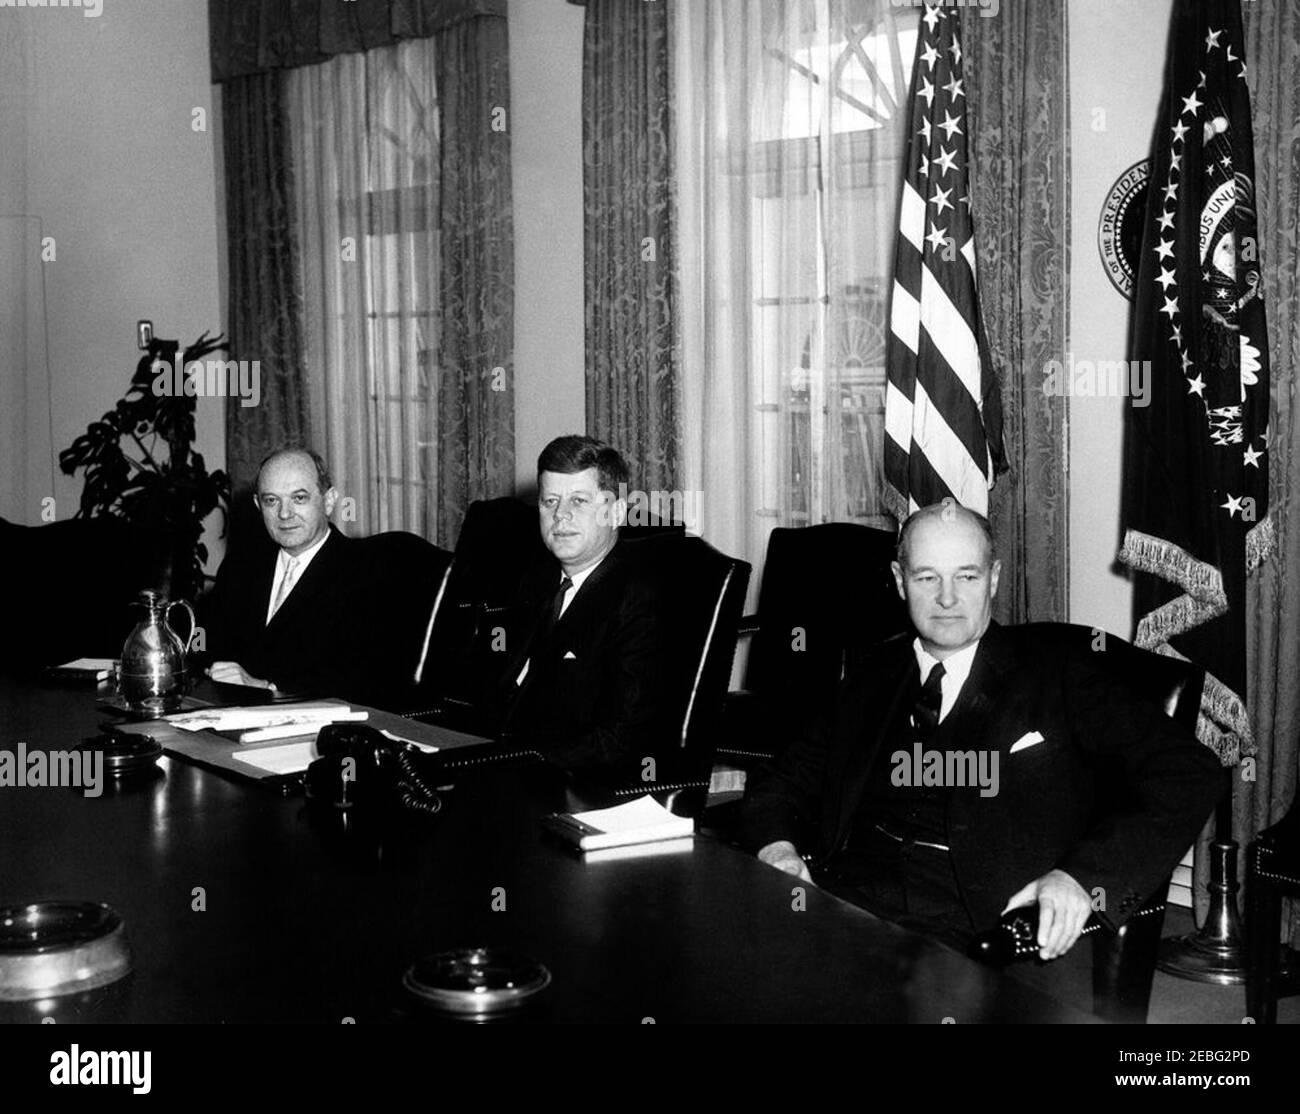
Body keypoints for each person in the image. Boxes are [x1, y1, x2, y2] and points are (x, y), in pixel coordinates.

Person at [737, 498, 1222, 961]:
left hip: (972, 926)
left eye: (966, 576)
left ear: (993, 579)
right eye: (927, 577)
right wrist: (779, 851)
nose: (947, 599)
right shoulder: (872, 673)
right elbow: (781, 780)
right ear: (899, 581)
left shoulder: (1059, 672)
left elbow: (1189, 773)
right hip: (842, 899)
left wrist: (1080, 878)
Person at [495, 435, 672, 773]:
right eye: (549, 502)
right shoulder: (536, 582)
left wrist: (507, 764)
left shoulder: (640, 601)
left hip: (570, 783)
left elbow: (620, 740)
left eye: (578, 501)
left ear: (616, 512)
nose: (560, 516)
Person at [200, 447, 369, 701]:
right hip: (227, 720)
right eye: (271, 500)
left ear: (329, 501)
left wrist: (267, 687)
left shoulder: (363, 572)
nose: (284, 513)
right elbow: (208, 645)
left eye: (299, 498)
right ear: (258, 505)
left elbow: (362, 680)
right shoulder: (241, 567)